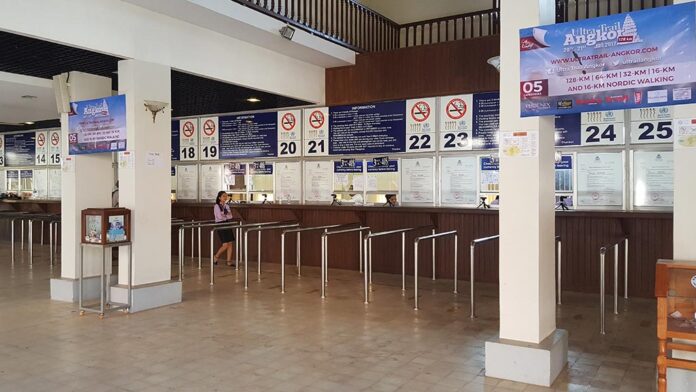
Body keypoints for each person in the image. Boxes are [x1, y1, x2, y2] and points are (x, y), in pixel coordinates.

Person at [213, 191, 235, 266]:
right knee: (225, 244)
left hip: (227, 223)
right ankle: (216, 256)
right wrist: (225, 215)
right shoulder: (216, 206)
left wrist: (224, 215)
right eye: (223, 196)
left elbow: (230, 216)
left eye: (226, 196)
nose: (225, 197)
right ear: (219, 198)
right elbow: (219, 217)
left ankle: (229, 261)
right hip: (220, 224)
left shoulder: (226, 206)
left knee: (230, 243)